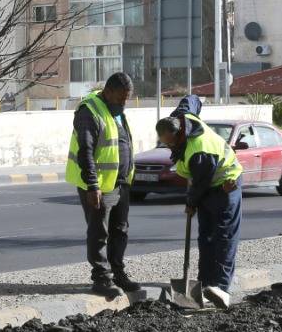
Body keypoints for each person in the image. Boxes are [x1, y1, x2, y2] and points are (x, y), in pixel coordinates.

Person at [156, 98, 244, 309]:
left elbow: (200, 184)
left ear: (179, 135)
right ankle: (203, 283)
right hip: (207, 185)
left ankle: (221, 288)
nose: (168, 146)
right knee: (205, 236)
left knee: (223, 236)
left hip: (226, 184)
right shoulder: (182, 117)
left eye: (170, 142)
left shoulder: (199, 150)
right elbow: (192, 100)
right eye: (164, 142)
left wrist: (191, 203)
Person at [66, 72, 139, 298]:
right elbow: (85, 151)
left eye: (127, 99)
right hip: (99, 185)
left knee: (120, 230)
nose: (123, 103)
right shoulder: (89, 111)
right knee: (99, 233)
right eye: (120, 98)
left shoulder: (116, 112)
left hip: (120, 182)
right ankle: (101, 278)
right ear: (108, 92)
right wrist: (92, 185)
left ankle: (118, 273)